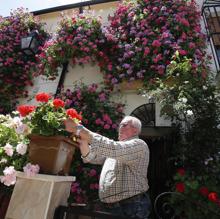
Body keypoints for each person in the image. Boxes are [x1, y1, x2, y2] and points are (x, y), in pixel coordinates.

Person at [64, 115, 151, 219]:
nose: (120, 128)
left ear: (135, 130)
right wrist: (83, 142)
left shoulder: (139, 145)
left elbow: (113, 148)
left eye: (124, 125)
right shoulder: (118, 149)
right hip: (111, 207)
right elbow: (92, 157)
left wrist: (78, 129)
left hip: (130, 206)